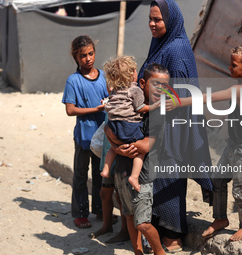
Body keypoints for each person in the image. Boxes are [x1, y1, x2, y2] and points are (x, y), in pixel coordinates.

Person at [137, 0, 213, 252]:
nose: (152, 23)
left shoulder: (177, 49)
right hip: (157, 126)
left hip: (172, 129)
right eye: (150, 18)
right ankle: (157, 233)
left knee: (168, 178)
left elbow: (180, 95)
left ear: (170, 21)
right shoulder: (161, 43)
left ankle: (173, 238)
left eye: (158, 19)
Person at [188, 44, 242, 241]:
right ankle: (220, 219)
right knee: (218, 180)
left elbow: (209, 98)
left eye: (233, 64)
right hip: (234, 145)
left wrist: (179, 102)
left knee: (240, 190)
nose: (229, 67)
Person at [106, 63, 170, 255]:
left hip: (142, 177)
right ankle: (138, 251)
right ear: (142, 83)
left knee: (142, 223)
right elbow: (108, 129)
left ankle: (160, 252)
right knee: (129, 215)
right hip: (122, 172)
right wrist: (116, 146)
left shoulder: (158, 112)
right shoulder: (129, 103)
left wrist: (120, 147)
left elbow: (146, 145)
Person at [62, 35, 108, 229]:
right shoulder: (73, 81)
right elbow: (70, 110)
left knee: (100, 175)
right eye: (83, 55)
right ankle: (80, 214)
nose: (88, 58)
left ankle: (99, 210)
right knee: (81, 175)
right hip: (83, 136)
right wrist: (96, 109)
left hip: (103, 136)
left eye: (91, 53)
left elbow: (111, 97)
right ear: (76, 57)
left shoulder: (104, 76)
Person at [101, 55, 158, 192]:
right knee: (140, 153)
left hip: (113, 126)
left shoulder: (114, 91)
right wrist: (154, 107)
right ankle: (134, 176)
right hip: (129, 127)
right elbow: (140, 108)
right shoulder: (135, 90)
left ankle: (106, 169)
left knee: (112, 149)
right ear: (132, 73)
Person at [89, 113, 130, 243]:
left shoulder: (124, 104)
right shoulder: (111, 103)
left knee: (120, 196)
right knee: (105, 193)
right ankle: (107, 226)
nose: (110, 90)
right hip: (108, 157)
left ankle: (124, 231)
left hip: (119, 158)